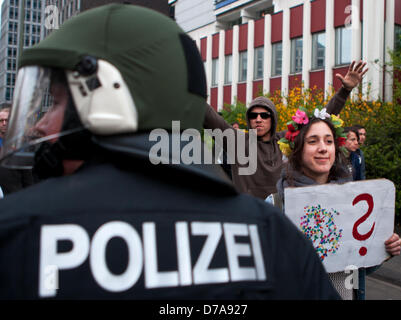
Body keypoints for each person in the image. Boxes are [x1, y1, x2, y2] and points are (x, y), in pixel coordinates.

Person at [0, 4, 340, 300]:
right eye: (254, 115)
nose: (40, 125)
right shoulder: (274, 236)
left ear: (108, 103)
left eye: (56, 102)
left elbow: (316, 127)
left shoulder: (17, 234)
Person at [274, 108, 401, 300]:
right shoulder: (275, 205)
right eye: (312, 141)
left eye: (329, 141)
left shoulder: (352, 201)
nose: (323, 148)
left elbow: (358, 267)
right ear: (298, 149)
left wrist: (384, 250)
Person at [204, 61, 368, 199]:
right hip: (250, 218)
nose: (258, 119)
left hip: (284, 217)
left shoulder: (287, 140)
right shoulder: (236, 141)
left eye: (264, 115)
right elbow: (210, 118)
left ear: (273, 118)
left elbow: (321, 120)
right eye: (253, 115)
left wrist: (344, 91)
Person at [0, 107, 34, 195]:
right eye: (1, 120)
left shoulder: (22, 146)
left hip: (14, 197)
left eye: (6, 120)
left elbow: (28, 178)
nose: (4, 123)